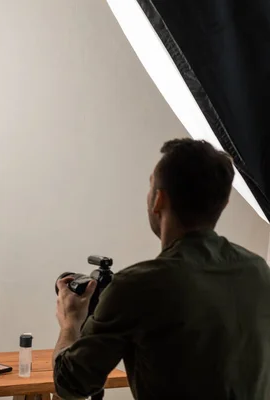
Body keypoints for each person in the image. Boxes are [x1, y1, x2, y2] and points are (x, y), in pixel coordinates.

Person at [52, 138, 270, 399]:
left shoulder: (138, 285)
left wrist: (71, 322)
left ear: (158, 200)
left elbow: (71, 384)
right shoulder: (258, 271)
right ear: (222, 203)